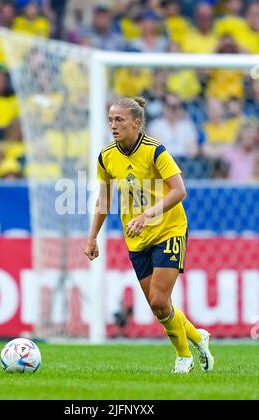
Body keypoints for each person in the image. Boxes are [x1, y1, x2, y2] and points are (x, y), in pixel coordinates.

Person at [84, 97, 214, 374]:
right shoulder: (106, 156)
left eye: (119, 119)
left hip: (168, 229)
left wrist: (146, 215)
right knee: (160, 307)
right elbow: (104, 199)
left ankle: (183, 357)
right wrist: (92, 237)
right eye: (110, 119)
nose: (113, 125)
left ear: (136, 122)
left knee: (157, 299)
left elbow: (180, 191)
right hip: (136, 237)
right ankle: (197, 337)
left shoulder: (155, 151)